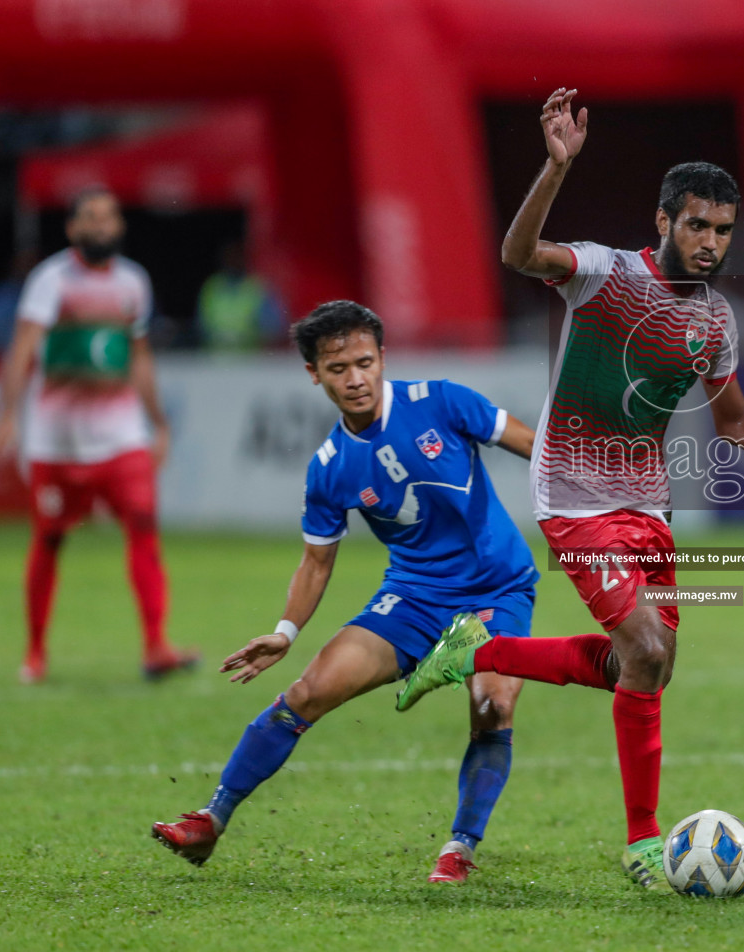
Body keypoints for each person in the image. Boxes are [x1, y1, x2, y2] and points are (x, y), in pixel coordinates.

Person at [395, 87, 744, 890]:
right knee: (649, 648)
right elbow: (519, 254)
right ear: (663, 221)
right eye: (696, 224)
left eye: (723, 230)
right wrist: (556, 168)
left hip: (647, 507)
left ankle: (474, 651)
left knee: (646, 669)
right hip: (572, 501)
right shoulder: (603, 273)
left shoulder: (718, 322)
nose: (709, 242)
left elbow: (734, 425)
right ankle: (642, 838)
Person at [151, 300, 540, 884]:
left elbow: (538, 448)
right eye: (338, 369)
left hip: (497, 588)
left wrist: (606, 502)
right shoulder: (329, 468)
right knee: (307, 693)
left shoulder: (441, 401)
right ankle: (211, 819)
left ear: (383, 357)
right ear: (313, 373)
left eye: (364, 362)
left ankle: (459, 847)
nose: (355, 378)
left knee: (492, 704)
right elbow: (315, 561)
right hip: (412, 596)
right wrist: (285, 632)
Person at [0, 186, 197, 684]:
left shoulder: (133, 282)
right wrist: (10, 412)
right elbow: (23, 347)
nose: (101, 226)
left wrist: (158, 422)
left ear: (119, 226)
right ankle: (35, 653)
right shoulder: (50, 280)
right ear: (73, 228)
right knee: (51, 539)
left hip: (121, 435)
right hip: (58, 441)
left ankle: (156, 646)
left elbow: (139, 356)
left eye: (109, 217)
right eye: (91, 218)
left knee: (143, 529)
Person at [196, 241, 286, 351]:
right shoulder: (213, 286)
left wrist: (246, 338)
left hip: (251, 357)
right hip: (216, 356)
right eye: (229, 258)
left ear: (244, 259)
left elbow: (273, 328)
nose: (232, 262)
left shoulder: (257, 287)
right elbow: (200, 325)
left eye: (236, 257)